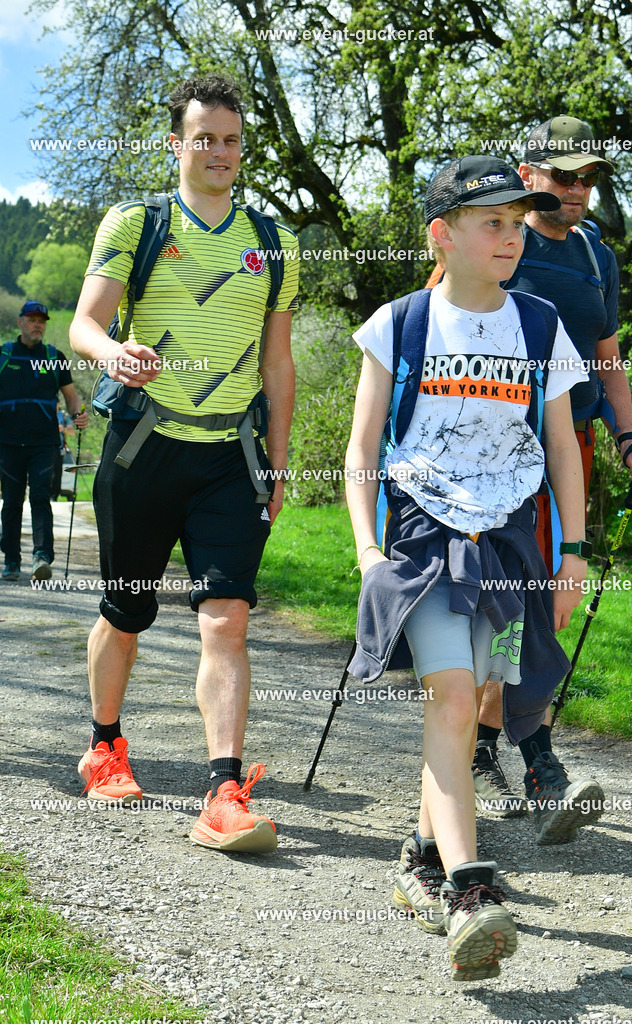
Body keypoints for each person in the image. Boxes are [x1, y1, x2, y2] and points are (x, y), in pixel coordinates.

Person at [345, 156, 592, 979]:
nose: (511, 237)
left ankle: (419, 858)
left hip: (510, 540)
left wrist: (571, 556)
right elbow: (361, 449)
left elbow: (561, 446)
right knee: (452, 695)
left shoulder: (539, 326)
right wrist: (366, 550)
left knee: (471, 696)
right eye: (492, 222)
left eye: (517, 223)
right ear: (441, 235)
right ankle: (468, 892)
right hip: (422, 532)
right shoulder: (397, 323)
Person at [69, 74, 299, 852]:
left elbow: (279, 364)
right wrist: (114, 353)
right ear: (177, 144)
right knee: (126, 612)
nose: (219, 152)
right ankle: (105, 747)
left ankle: (224, 791)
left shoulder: (274, 243)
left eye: (231, 139)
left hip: (231, 456)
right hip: (143, 449)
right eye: (204, 138)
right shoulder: (138, 222)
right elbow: (84, 324)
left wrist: (280, 458)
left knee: (226, 619)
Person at [427, 116, 632, 834]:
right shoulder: (499, 240)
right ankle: (538, 763)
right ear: (527, 176)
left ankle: (491, 746)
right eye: (563, 177)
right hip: (492, 451)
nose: (577, 191)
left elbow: (607, 356)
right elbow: (432, 325)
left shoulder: (596, 257)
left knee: (548, 594)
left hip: (573, 449)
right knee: (507, 598)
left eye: (588, 178)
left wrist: (627, 438)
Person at [0, 300, 88, 581]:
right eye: (32, 319)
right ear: (20, 322)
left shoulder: (54, 357)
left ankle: (42, 557)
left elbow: (71, 396)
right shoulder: (4, 355)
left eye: (42, 320)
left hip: (44, 443)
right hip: (7, 442)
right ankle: (11, 560)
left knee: (41, 497)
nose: (38, 324)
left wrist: (78, 414)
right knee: (11, 501)